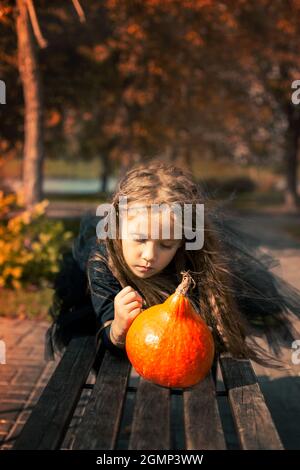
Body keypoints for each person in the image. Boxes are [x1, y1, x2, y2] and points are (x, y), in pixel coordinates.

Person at [45, 160, 300, 367]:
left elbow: (201, 330)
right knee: (100, 353)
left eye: (165, 245)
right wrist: (118, 329)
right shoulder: (103, 263)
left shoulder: (192, 259)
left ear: (180, 242)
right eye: (139, 239)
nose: (149, 255)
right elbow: (109, 335)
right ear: (118, 228)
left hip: (176, 323)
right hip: (104, 319)